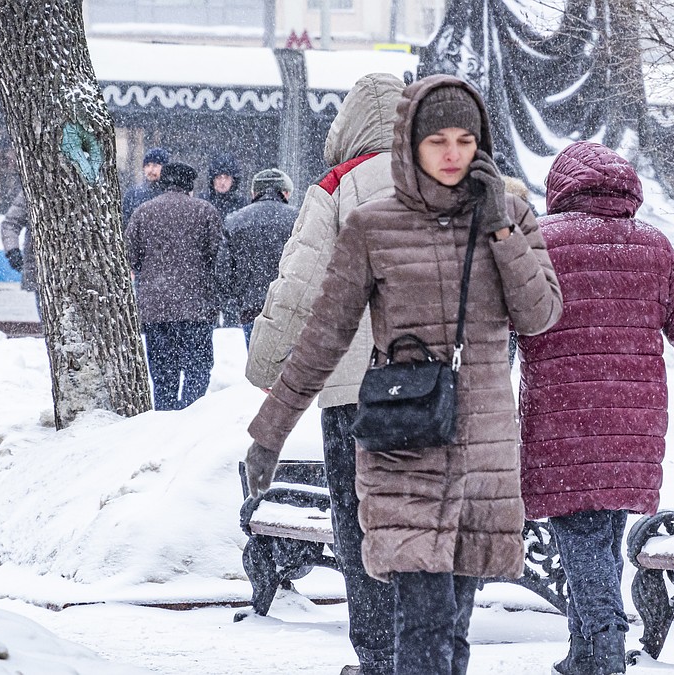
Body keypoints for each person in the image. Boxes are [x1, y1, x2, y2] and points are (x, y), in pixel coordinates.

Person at [244, 74, 563, 675]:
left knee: (451, 626)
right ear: (409, 140)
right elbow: (324, 332)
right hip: (402, 435)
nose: (452, 154)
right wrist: (271, 431)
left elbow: (540, 314)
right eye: (436, 140)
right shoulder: (374, 224)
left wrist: (500, 229)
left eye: (465, 140)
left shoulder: (508, 211)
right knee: (422, 621)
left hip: (481, 445)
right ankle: (380, 663)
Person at [516, 141, 674, 675]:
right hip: (633, 421)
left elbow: (505, 326)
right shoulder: (651, 246)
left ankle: (604, 641)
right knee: (600, 532)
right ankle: (585, 651)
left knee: (579, 532)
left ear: (561, 187)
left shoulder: (539, 241)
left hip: (562, 418)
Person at [245, 72, 404, 675]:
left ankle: (379, 659)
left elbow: (299, 288)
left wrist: (266, 364)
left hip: (355, 394)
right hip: (439, 392)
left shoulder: (338, 187)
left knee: (360, 527)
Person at [125, 162, 224, 411]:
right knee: (197, 369)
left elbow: (130, 257)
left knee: (163, 375)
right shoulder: (205, 211)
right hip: (196, 307)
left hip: (156, 308)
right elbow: (218, 257)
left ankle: (165, 417)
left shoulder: (143, 212)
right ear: (190, 185)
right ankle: (190, 415)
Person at [218, 168, 297, 347]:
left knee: (257, 359)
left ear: (254, 192)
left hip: (250, 307)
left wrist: (233, 299)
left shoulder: (234, 220)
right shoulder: (298, 219)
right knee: (289, 360)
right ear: (285, 192)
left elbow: (223, 269)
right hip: (288, 306)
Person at [123, 147, 169, 223]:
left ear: (165, 168)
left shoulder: (170, 193)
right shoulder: (133, 194)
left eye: (155, 165)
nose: (150, 170)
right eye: (147, 165)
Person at [201, 153, 247, 218]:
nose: (222, 182)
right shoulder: (203, 203)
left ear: (233, 181)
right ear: (212, 180)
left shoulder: (242, 204)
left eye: (226, 177)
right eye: (218, 177)